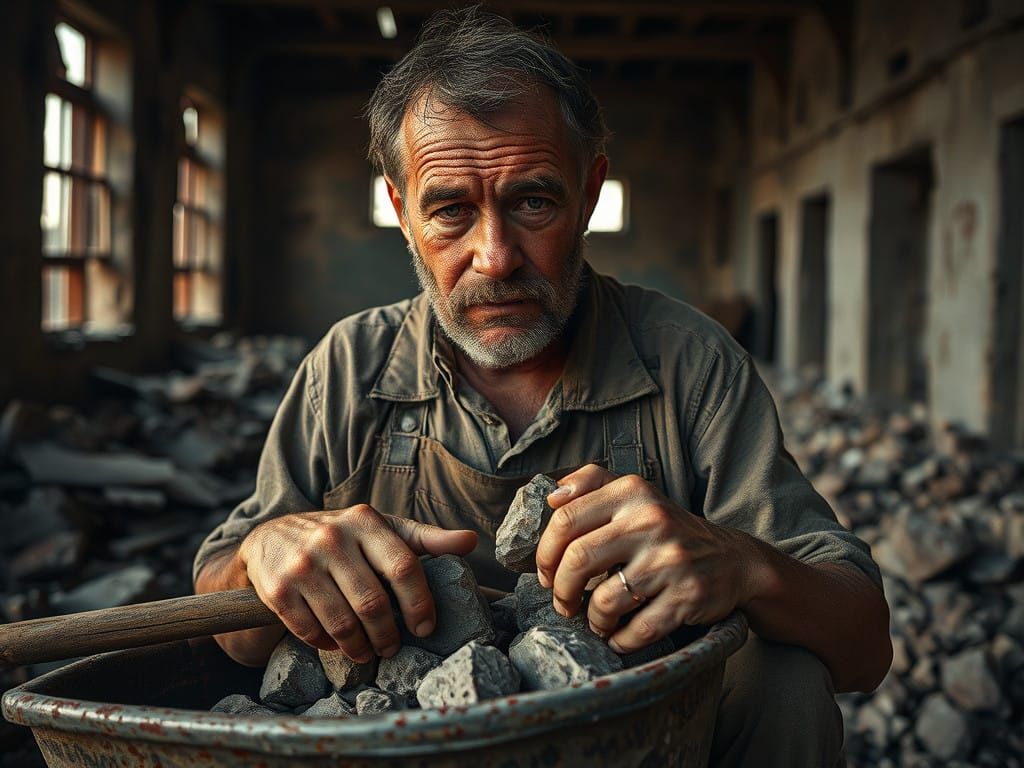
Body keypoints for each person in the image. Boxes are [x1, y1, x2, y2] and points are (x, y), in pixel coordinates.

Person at [194, 7, 891, 765]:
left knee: (783, 674)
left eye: (533, 201)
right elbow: (225, 631)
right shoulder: (349, 369)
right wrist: (263, 552)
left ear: (590, 192)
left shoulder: (690, 364)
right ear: (400, 212)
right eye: (451, 210)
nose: (495, 257)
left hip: (635, 744)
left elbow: (863, 648)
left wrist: (745, 565)